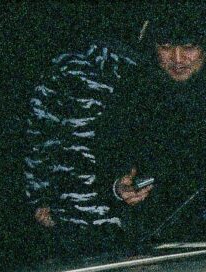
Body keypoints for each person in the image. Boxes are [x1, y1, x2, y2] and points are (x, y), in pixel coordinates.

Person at [96, 10, 206, 242]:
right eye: (166, 46)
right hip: (157, 239)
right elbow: (107, 159)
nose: (177, 58)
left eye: (189, 46)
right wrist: (119, 186)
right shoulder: (133, 94)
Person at [23, 27, 144, 254]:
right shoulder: (68, 66)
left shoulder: (158, 67)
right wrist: (39, 199)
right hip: (74, 217)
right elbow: (39, 136)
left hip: (136, 218)